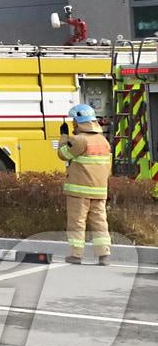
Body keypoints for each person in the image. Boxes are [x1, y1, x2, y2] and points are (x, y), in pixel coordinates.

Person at [59, 103, 112, 266]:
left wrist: (64, 136)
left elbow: (62, 154)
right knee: (100, 221)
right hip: (99, 190)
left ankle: (76, 255)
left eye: (74, 121)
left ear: (78, 122)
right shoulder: (103, 141)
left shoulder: (78, 140)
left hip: (79, 191)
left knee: (77, 221)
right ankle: (104, 255)